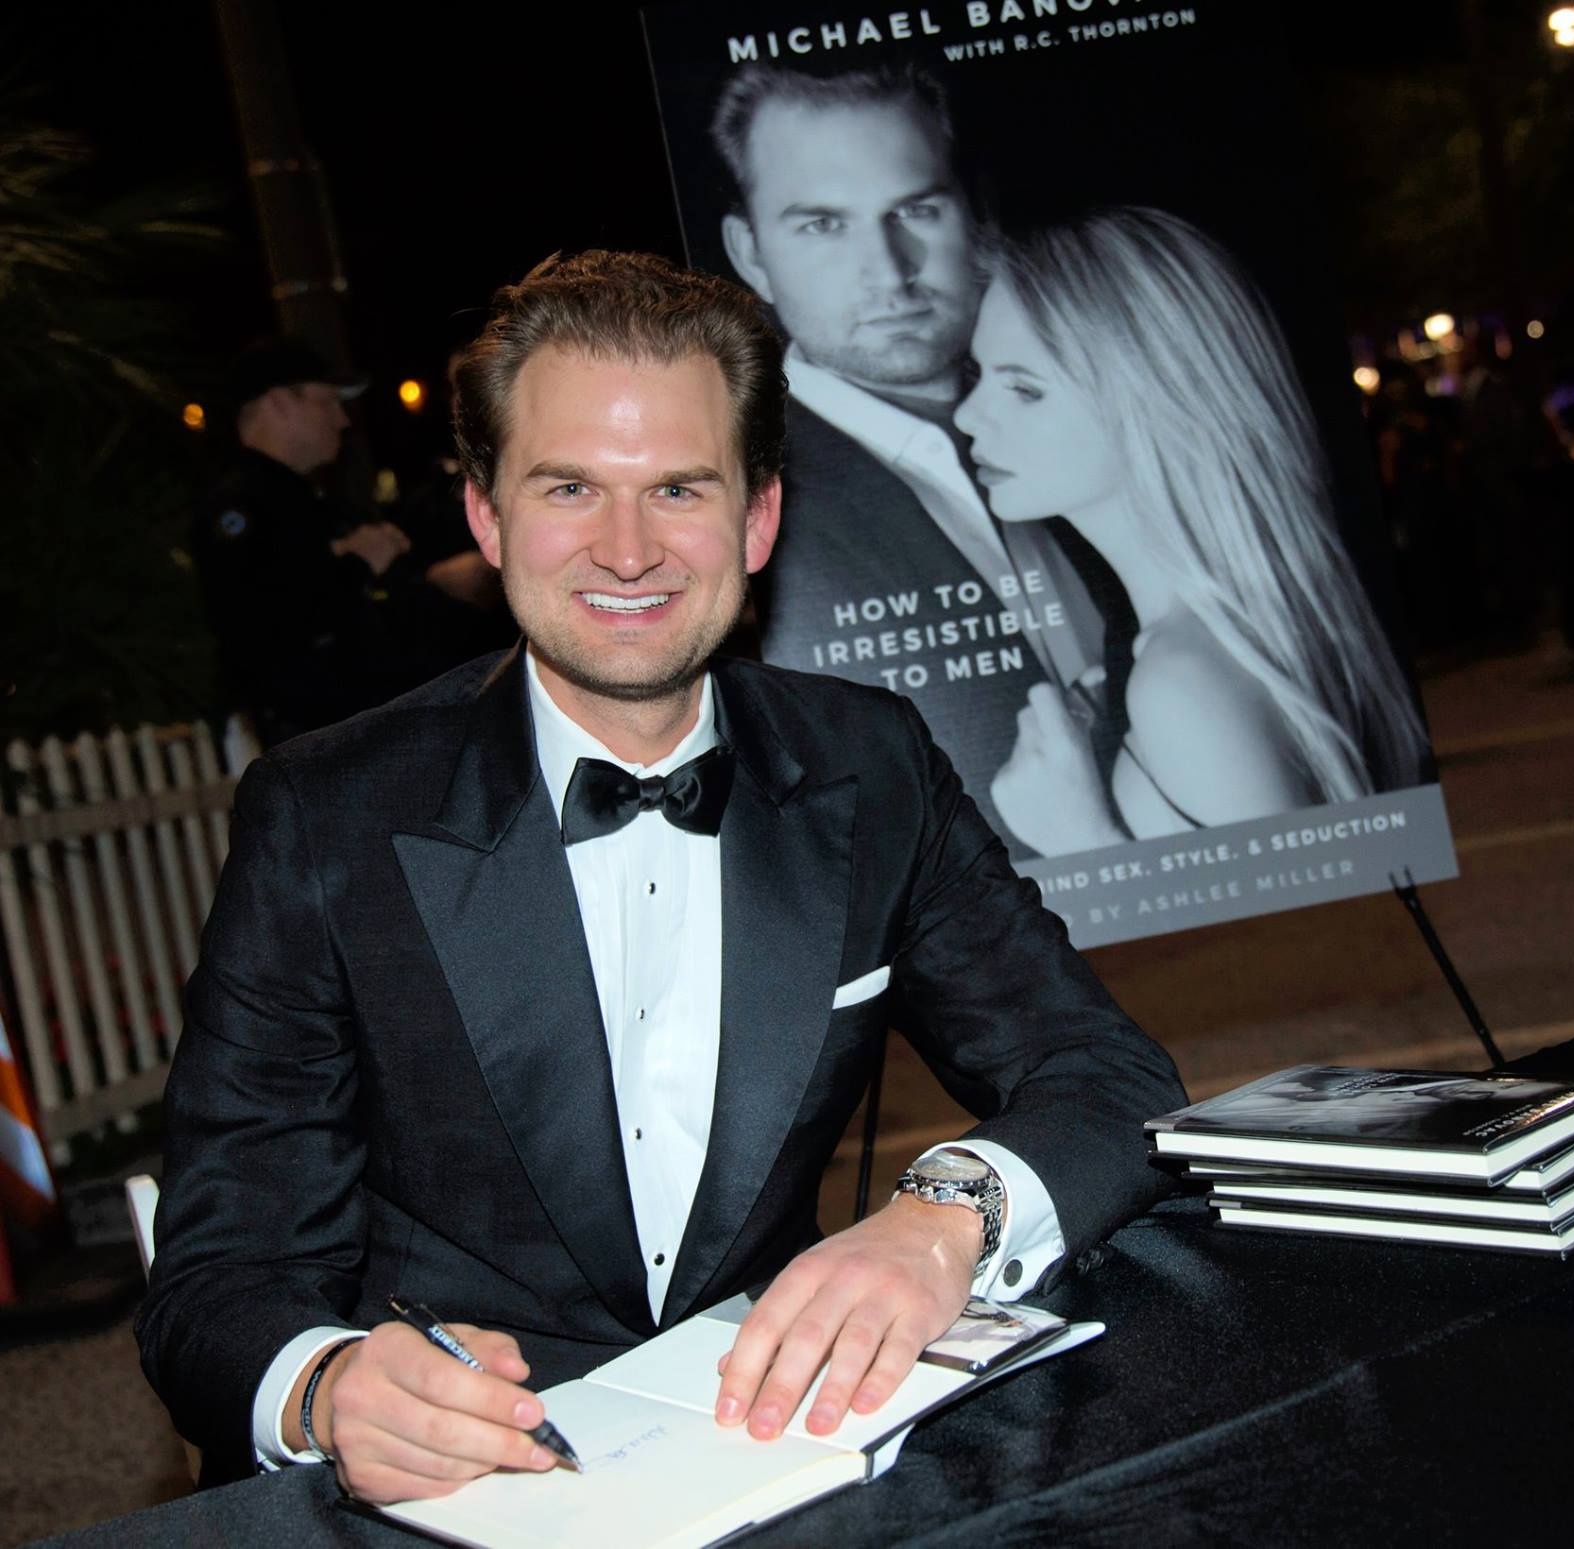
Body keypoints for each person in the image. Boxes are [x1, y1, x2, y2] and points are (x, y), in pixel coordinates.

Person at [136, 251, 1186, 1504]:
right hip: (462, 1494)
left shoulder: (869, 763)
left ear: (758, 517)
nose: (626, 550)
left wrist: (938, 1220)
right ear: (487, 516)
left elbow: (1106, 1078)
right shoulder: (327, 816)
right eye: (569, 487)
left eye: (678, 488)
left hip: (783, 1446)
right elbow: (217, 1279)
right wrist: (327, 1387)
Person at [710, 64, 1123, 854]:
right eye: (822, 225)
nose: (890, 272)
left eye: (916, 210)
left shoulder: (1105, 410)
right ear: (751, 253)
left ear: (978, 215)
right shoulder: (731, 505)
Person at [950, 207, 1432, 857]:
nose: (969, 415)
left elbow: (1318, 917)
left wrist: (1080, 840)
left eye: (1025, 389)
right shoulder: (1231, 636)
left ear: (1154, 398)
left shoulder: (1183, 682)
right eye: (980, 375)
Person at [191, 337, 415, 745]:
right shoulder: (241, 506)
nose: (341, 420)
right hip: (315, 743)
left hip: (356, 733)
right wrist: (356, 564)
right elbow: (263, 624)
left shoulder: (306, 500)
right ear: (278, 403)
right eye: (327, 402)